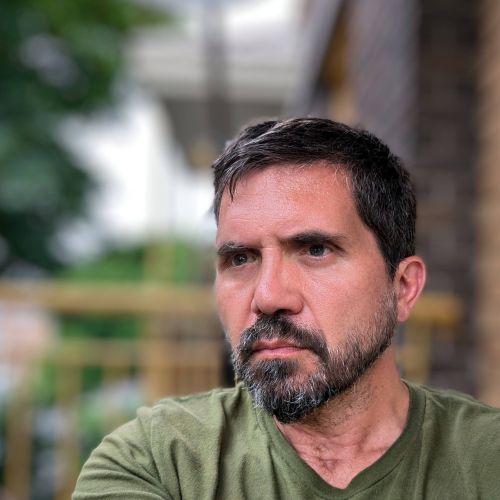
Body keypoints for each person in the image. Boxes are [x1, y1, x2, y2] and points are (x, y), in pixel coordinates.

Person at [73, 118, 500, 499]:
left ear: (403, 288)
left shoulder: (486, 460)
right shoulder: (157, 463)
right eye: (241, 258)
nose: (268, 297)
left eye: (315, 250)